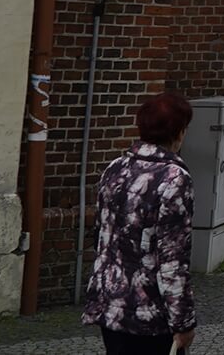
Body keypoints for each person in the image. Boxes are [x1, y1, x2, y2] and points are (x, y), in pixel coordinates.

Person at [82, 92, 197, 354]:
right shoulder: (174, 179)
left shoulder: (115, 167)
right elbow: (172, 259)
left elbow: (104, 235)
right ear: (178, 132)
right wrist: (183, 321)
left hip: (111, 302)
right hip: (149, 313)